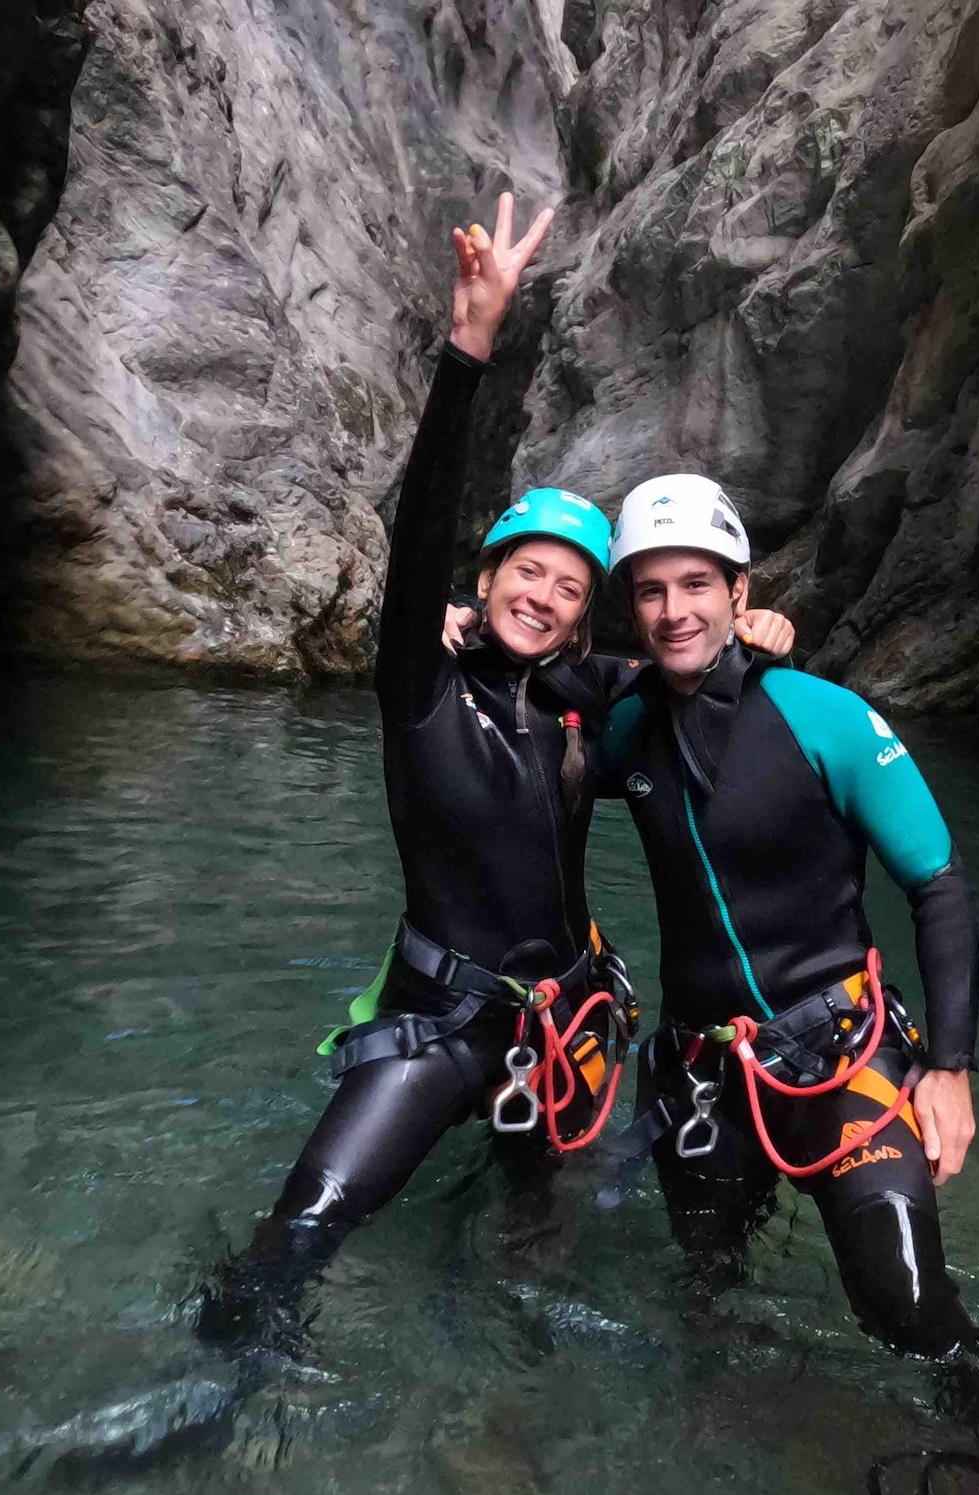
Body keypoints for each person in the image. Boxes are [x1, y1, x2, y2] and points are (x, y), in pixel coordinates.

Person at [199, 198, 792, 1353]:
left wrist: (757, 632)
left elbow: (688, 667)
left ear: (585, 616)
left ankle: (504, 1398)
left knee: (537, 1237)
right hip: (441, 1023)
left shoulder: (585, 703)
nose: (546, 595)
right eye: (528, 572)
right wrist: (468, 346)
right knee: (302, 1230)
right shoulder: (421, 685)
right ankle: (213, 1399)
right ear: (488, 575)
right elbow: (419, 531)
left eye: (572, 587)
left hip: (565, 1023)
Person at [598, 474, 979, 1420]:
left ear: (742, 593)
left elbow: (937, 883)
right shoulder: (627, 725)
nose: (674, 610)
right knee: (706, 1301)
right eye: (652, 590)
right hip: (703, 1074)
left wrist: (950, 1066)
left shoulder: (828, 718)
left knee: (907, 1310)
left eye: (698, 584)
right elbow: (544, 710)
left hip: (839, 1057)